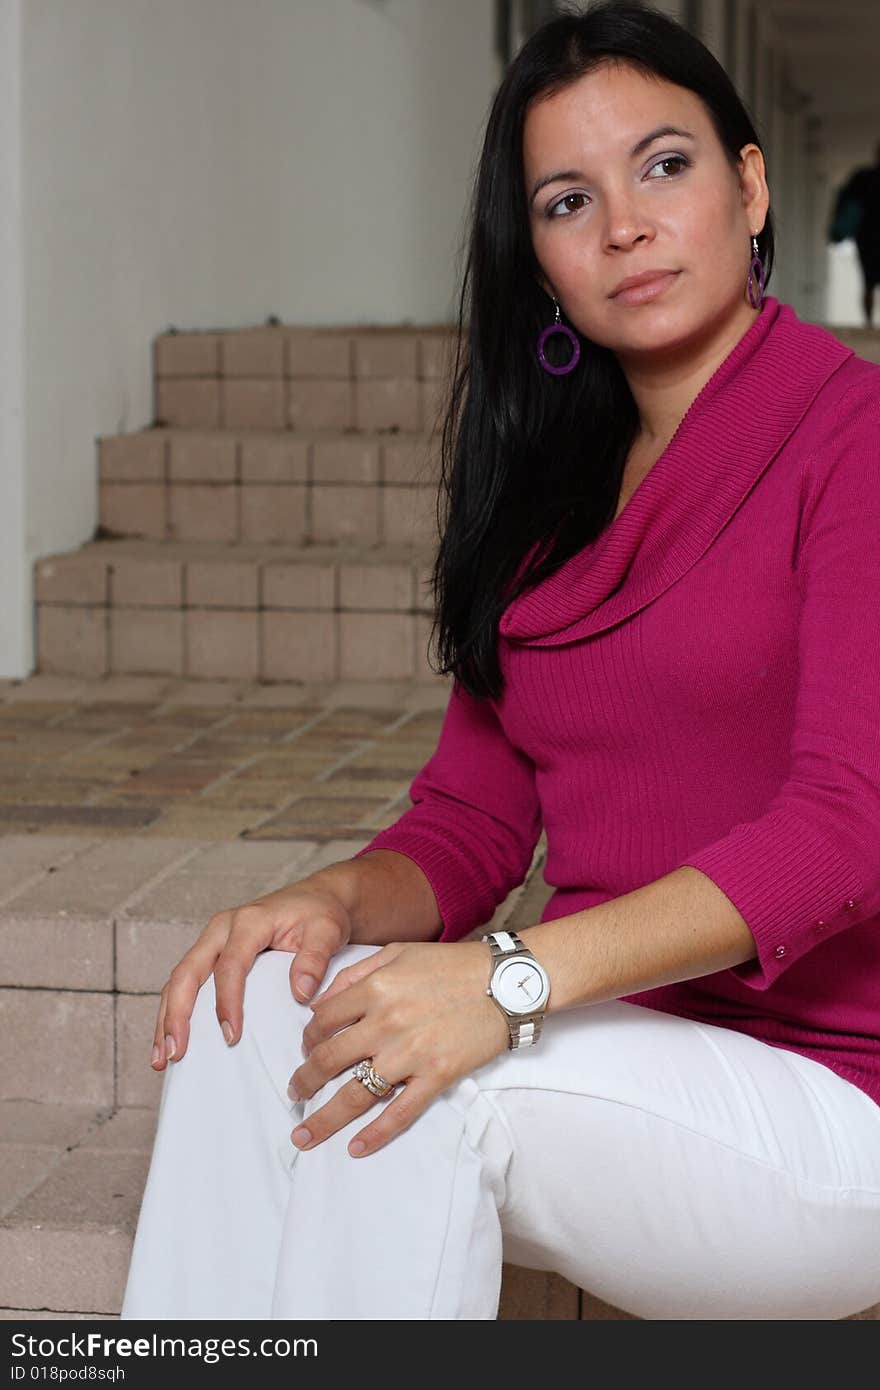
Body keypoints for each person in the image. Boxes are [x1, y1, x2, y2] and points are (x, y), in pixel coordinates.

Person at [120, 1, 880, 1322]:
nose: (626, 226)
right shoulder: (547, 494)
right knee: (257, 1016)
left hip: (835, 1097)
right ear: (535, 257)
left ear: (751, 187)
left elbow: (846, 826)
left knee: (412, 1071)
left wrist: (509, 976)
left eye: (665, 165)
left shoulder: (852, 437)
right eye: (567, 199)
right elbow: (474, 820)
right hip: (629, 1048)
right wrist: (333, 905)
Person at [829, 143, 880, 326]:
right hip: (867, 237)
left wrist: (835, 226)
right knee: (868, 280)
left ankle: (868, 322)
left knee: (868, 280)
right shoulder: (862, 178)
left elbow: (844, 201)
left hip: (866, 237)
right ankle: (868, 322)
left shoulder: (862, 178)